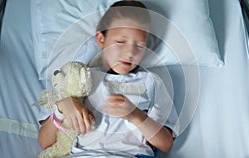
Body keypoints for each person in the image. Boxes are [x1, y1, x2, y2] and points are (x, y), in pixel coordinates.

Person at [38, 1, 177, 157]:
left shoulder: (151, 82)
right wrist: (62, 107)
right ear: (101, 39)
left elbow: (166, 144)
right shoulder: (78, 78)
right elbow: (45, 142)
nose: (130, 52)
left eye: (139, 45)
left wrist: (135, 115)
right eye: (121, 42)